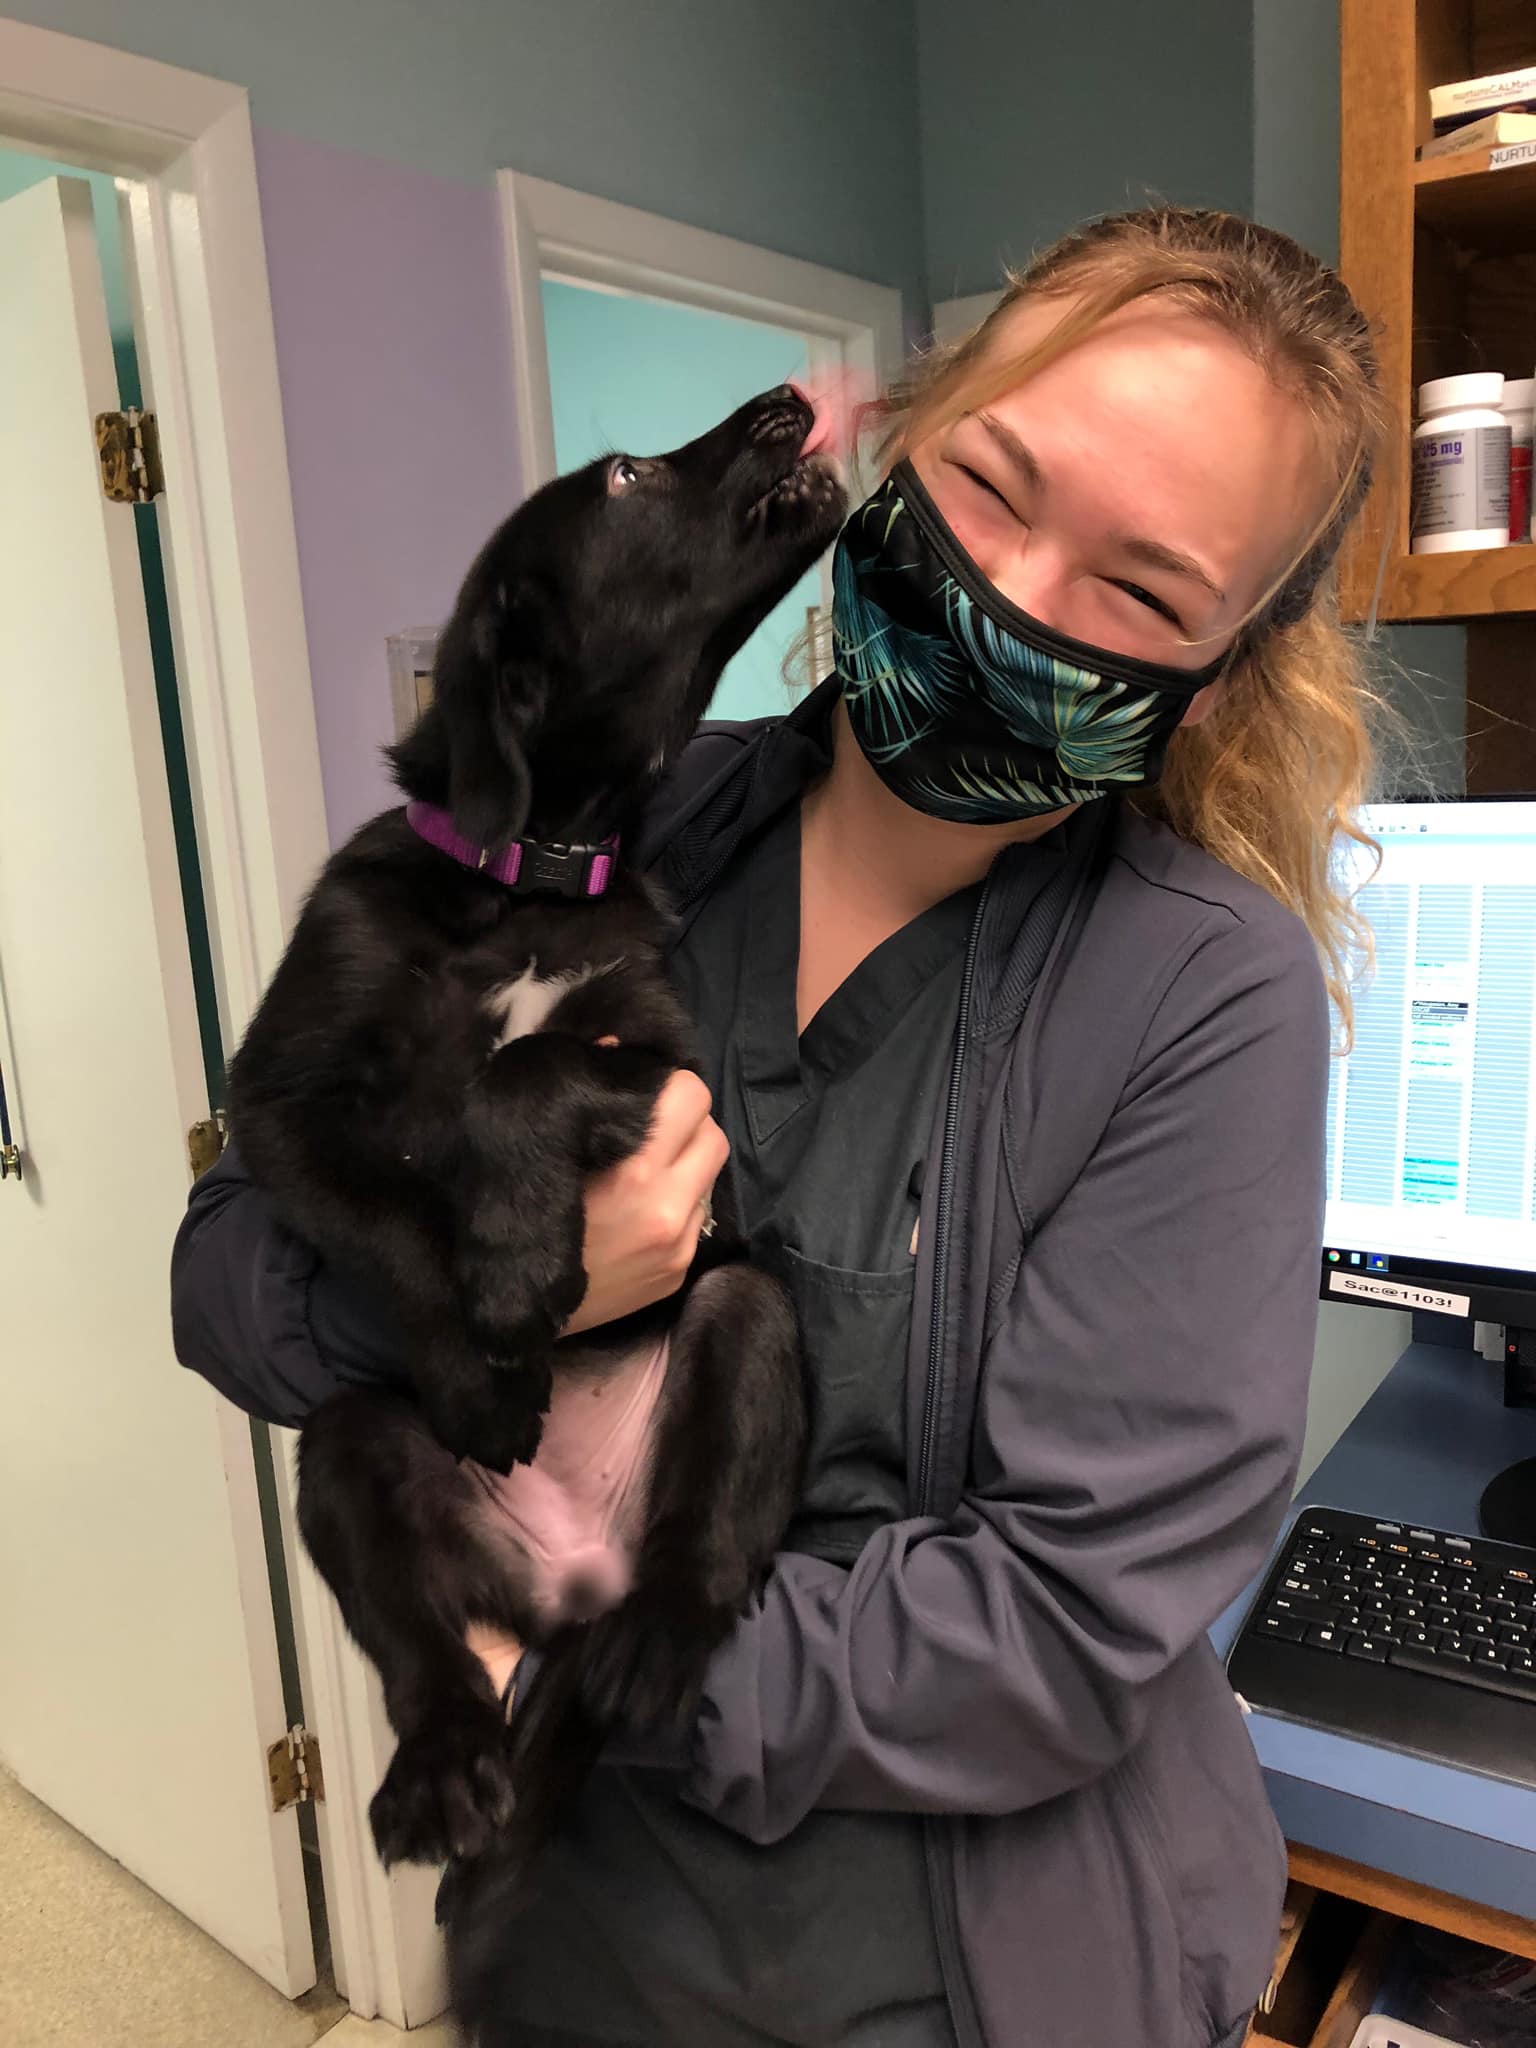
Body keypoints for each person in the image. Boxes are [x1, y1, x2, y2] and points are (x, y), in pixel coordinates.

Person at [172, 206, 1389, 2048]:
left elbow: (1049, 1628)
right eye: (989, 486)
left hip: (967, 1971)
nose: (1012, 599)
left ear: (1213, 672)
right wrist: (501, 1303)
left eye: (1140, 593)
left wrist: (558, 1669)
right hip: (573, 1938)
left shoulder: (1204, 998)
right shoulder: (616, 837)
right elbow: (230, 1272)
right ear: (899, 445)